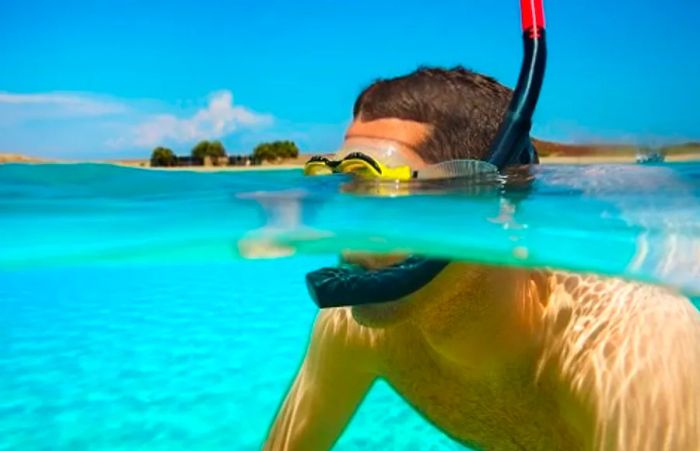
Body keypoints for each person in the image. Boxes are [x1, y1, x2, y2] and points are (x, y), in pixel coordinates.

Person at [263, 67, 700, 451]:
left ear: (500, 208)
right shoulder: (357, 329)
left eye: (376, 184)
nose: (343, 224)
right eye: (339, 180)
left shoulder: (635, 345)